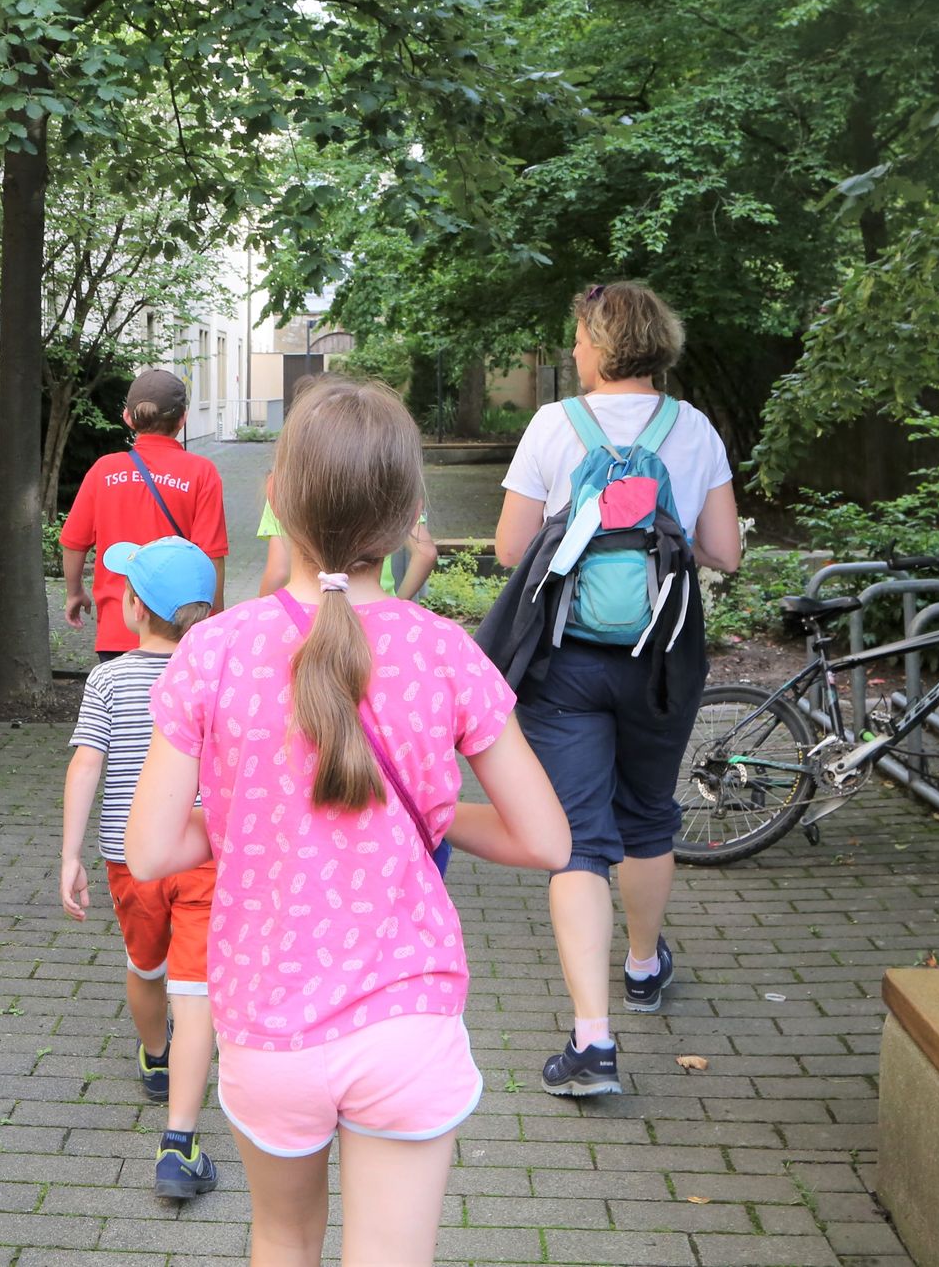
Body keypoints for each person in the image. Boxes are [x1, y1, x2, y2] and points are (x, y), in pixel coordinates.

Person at [126, 380, 570, 1267]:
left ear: (275, 499)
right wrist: (437, 816)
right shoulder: (444, 651)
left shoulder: (212, 652)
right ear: (409, 515)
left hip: (267, 1022)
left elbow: (149, 850)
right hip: (407, 1019)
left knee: (282, 1238)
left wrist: (252, 817)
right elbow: (548, 842)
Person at [487, 281, 741, 1098]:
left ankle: (592, 1042)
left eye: (578, 337)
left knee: (576, 840)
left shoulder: (553, 424)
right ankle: (642, 967)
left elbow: (509, 548)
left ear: (599, 344)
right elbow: (725, 550)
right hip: (662, 658)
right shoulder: (693, 428)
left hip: (564, 661)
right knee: (648, 815)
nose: (573, 350)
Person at [59, 536, 221, 1200]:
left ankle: (156, 1059)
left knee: (145, 966)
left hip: (133, 860)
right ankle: (180, 1143)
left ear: (133, 607)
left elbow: (85, 766)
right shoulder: (216, 678)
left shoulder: (107, 680)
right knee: (196, 989)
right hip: (205, 853)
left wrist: (70, 855)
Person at [62, 369, 228, 658]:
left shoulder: (104, 470)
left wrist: (74, 592)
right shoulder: (202, 473)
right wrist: (214, 618)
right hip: (180, 632)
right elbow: (211, 555)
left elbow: (74, 542)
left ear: (128, 417)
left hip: (117, 629)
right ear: (183, 418)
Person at [257, 499, 436, 599]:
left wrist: (261, 619)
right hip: (377, 609)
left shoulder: (289, 483)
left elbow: (279, 572)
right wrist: (397, 604)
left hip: (301, 613)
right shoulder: (388, 479)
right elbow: (426, 553)